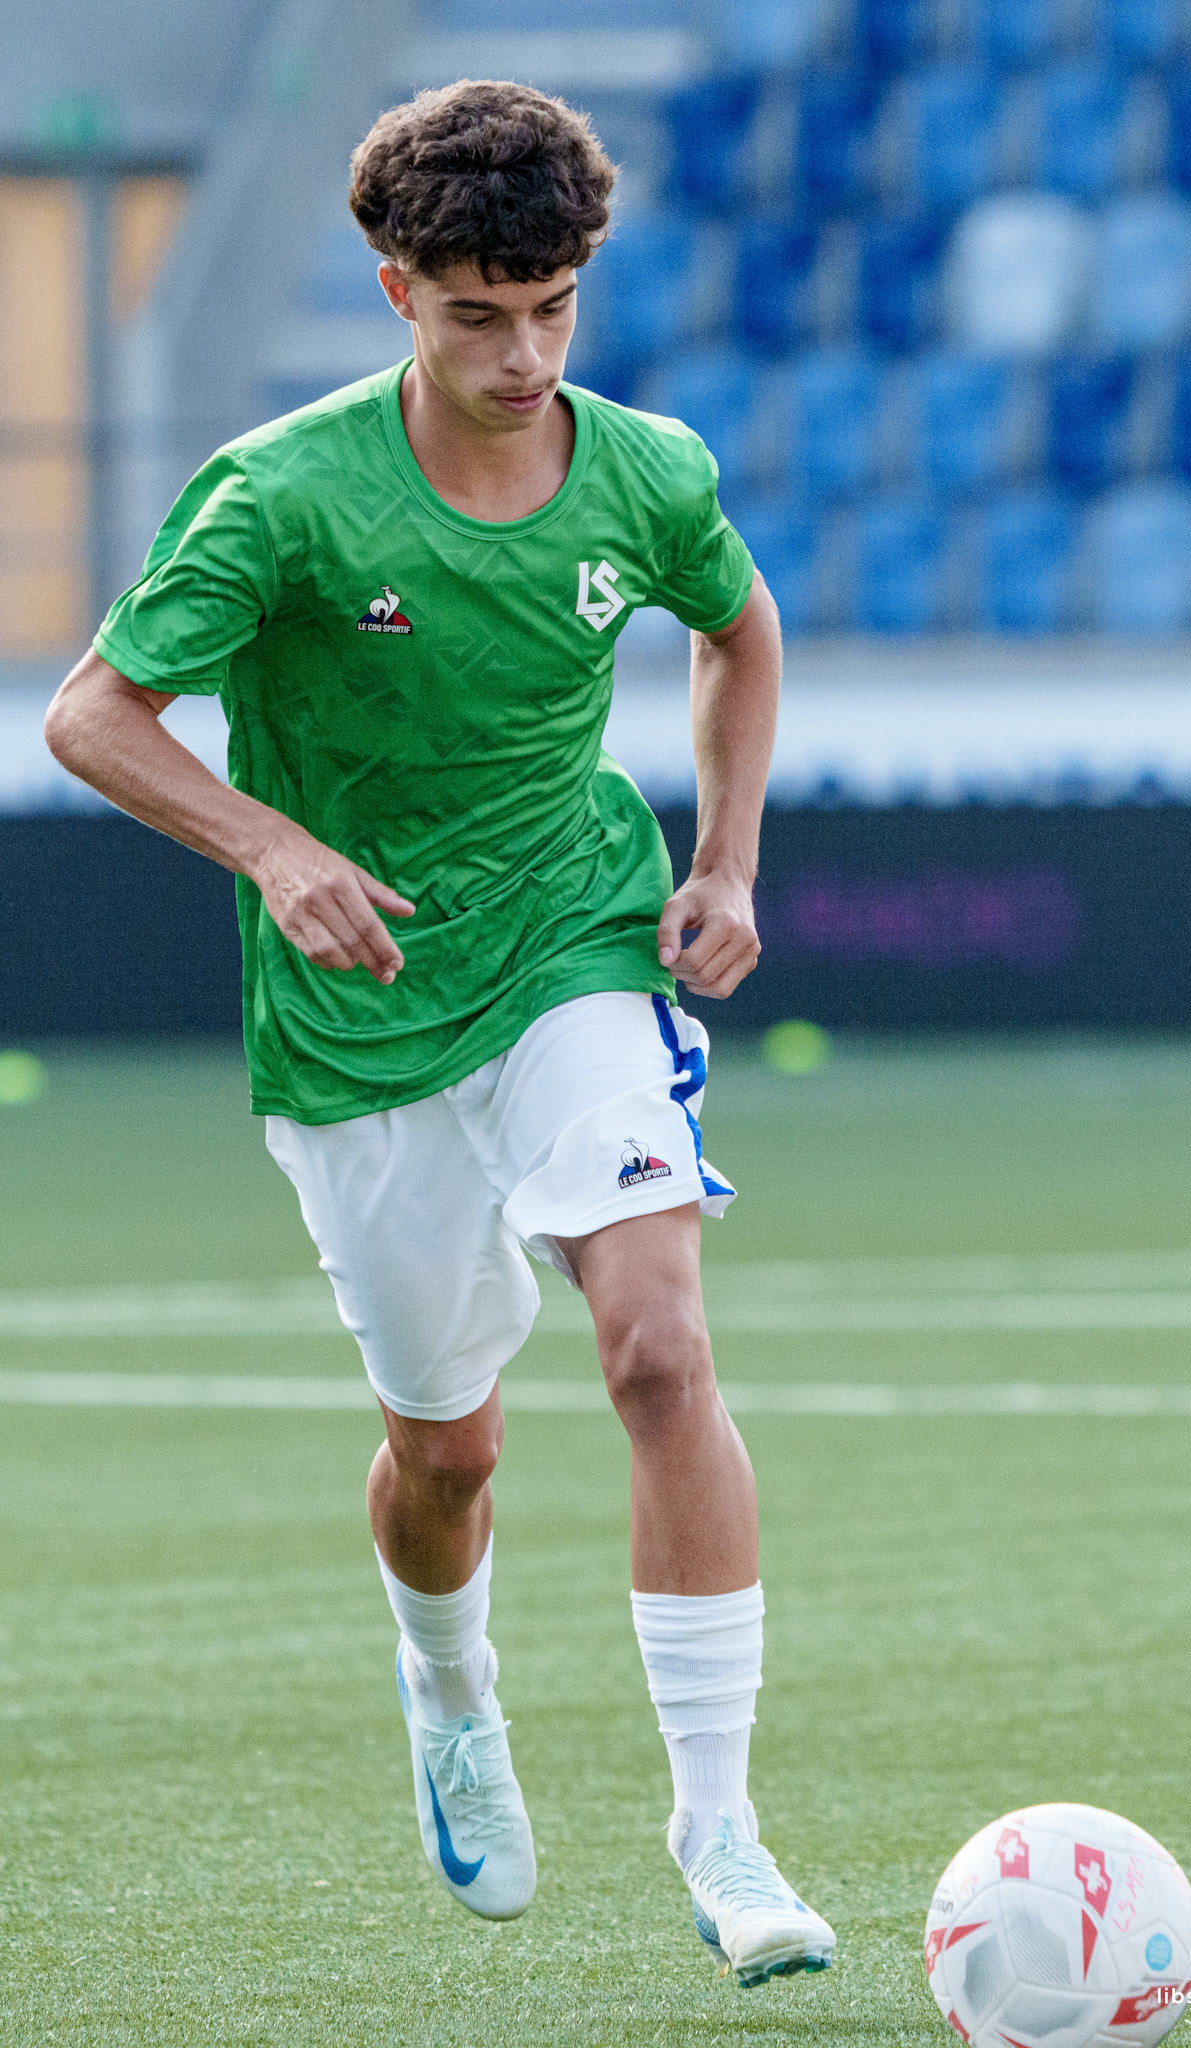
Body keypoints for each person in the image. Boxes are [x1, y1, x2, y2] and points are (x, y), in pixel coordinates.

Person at [44, 79, 835, 1989]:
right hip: (363, 1012)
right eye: (479, 311)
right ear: (398, 289)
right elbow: (90, 714)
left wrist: (722, 860)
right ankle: (450, 1691)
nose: (522, 351)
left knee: (657, 1347)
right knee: (448, 1452)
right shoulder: (284, 492)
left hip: (574, 938)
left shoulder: (642, 468)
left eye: (553, 305)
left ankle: (718, 1826)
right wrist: (274, 846)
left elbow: (738, 634)